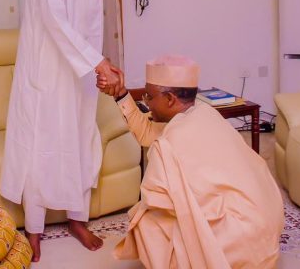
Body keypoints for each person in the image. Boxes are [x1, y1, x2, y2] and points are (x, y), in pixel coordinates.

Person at [0, 0, 122, 262]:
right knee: (43, 142)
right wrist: (96, 60)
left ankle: (77, 218)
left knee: (80, 136)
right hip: (46, 65)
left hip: (80, 67)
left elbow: (91, 17)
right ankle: (34, 228)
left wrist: (94, 60)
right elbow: (54, 16)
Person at [97, 55, 284, 268]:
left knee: (145, 222)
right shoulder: (205, 113)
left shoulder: (168, 145)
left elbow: (155, 201)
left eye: (149, 96)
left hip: (237, 243)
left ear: (169, 99)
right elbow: (147, 131)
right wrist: (121, 95)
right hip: (265, 229)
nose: (146, 102)